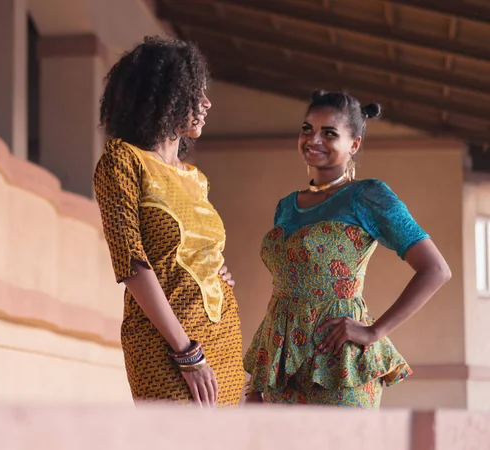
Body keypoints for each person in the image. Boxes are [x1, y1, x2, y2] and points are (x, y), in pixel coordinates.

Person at [243, 90, 451, 408]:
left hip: (337, 363)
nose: (313, 140)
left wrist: (374, 331)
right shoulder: (286, 206)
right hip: (281, 367)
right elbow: (283, 290)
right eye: (307, 129)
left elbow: (436, 270)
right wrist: (258, 380)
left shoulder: (368, 195)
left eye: (329, 133)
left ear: (353, 144)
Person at [93, 36, 244, 406]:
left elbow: (194, 248)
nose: (207, 103)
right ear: (164, 94)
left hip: (222, 338)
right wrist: (186, 352)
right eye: (196, 93)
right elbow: (131, 263)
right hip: (166, 345)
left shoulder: (195, 177)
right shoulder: (122, 161)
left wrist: (216, 268)